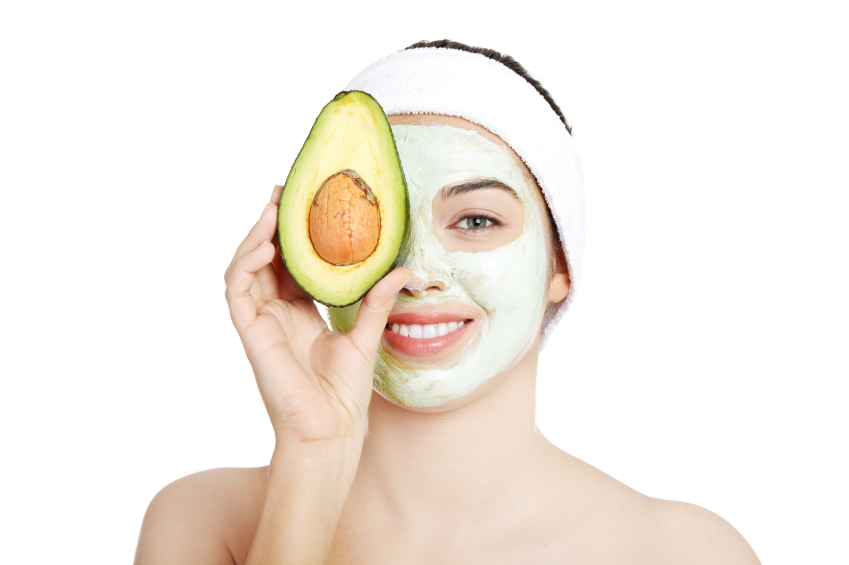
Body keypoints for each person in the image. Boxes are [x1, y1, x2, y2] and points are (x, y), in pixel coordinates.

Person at [134, 41, 761, 564]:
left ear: (560, 265)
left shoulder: (682, 551)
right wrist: (312, 456)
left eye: (478, 221)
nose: (416, 274)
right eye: (374, 224)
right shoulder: (202, 523)